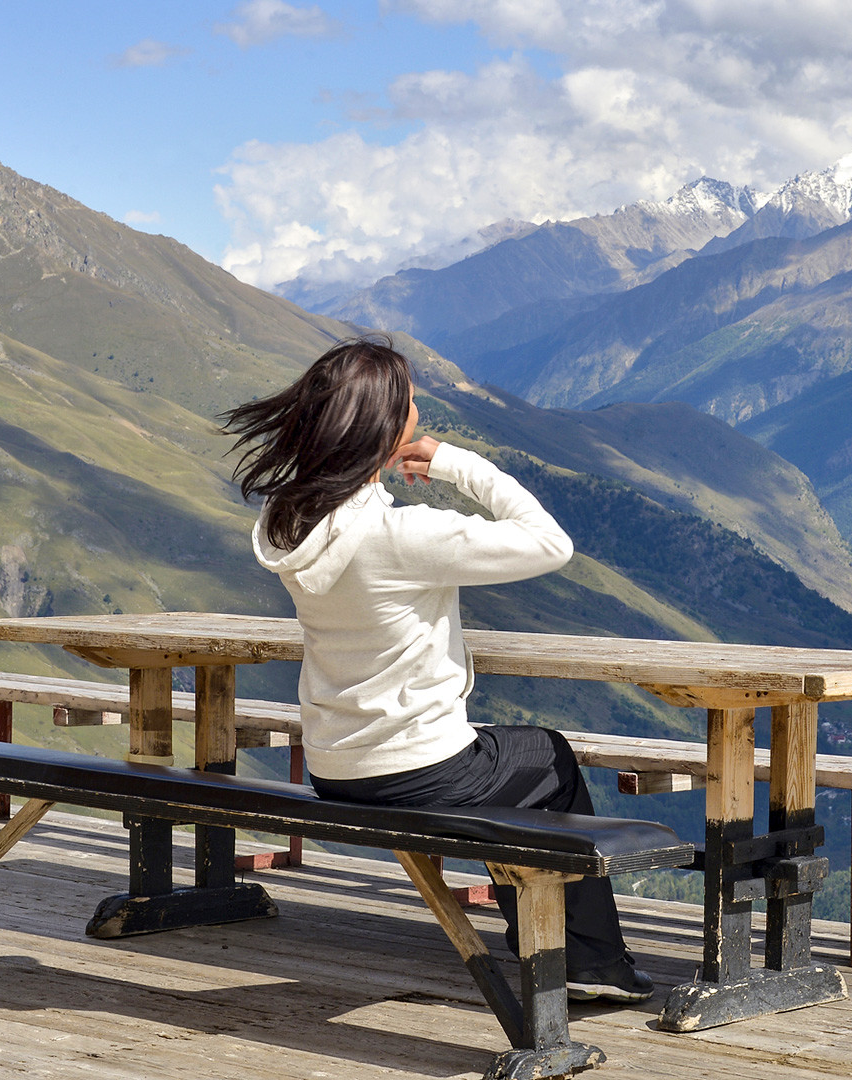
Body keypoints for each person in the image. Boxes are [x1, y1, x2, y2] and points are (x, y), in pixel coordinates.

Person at [223, 335, 654, 1003]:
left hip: (336, 765)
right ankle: (589, 965)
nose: (419, 414)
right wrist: (455, 464)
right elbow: (551, 544)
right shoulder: (401, 536)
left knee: (511, 769)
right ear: (386, 426)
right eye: (412, 405)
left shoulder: (289, 524)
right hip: (416, 769)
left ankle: (566, 953)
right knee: (549, 759)